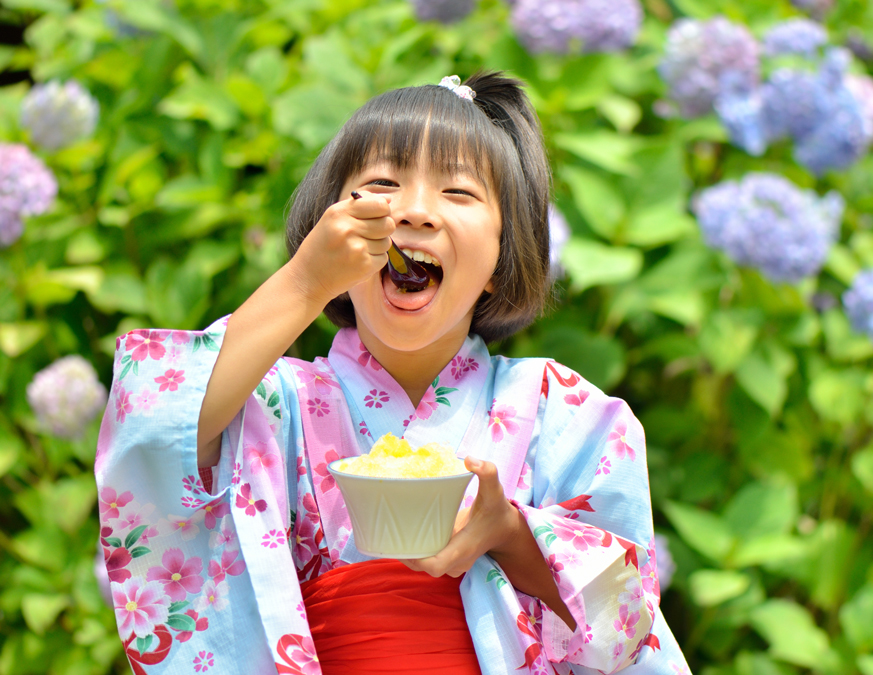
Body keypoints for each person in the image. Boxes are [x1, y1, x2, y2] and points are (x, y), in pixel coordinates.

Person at [95, 72, 689, 675]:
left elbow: (629, 620)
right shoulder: (276, 401)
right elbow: (152, 433)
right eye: (381, 185)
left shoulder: (564, 411)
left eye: (458, 193)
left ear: (499, 259)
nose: (415, 211)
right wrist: (303, 283)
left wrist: (509, 534)